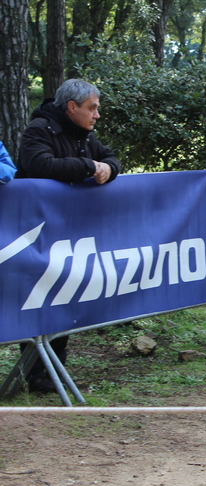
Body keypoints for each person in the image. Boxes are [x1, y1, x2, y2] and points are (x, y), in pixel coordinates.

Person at [16, 78, 121, 392]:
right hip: (35, 233)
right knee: (40, 298)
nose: (97, 115)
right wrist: (89, 166)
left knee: (65, 294)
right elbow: (38, 165)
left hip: (70, 233)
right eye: (92, 108)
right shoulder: (39, 129)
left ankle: (55, 365)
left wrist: (108, 169)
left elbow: (112, 157)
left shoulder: (86, 135)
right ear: (71, 107)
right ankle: (36, 372)